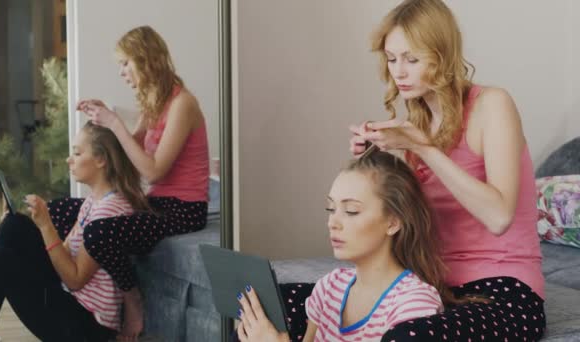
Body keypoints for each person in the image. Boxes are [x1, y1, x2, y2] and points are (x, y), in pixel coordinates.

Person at [348, 0, 545, 340]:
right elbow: (405, 226)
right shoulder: (417, 123)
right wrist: (371, 164)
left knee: (405, 337)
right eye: (392, 59)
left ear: (442, 56)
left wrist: (422, 147)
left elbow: (499, 216)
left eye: (412, 59)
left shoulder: (491, 105)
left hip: (505, 289)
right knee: (277, 303)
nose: (399, 71)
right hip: (432, 287)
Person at [52, 25, 210, 340]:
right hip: (155, 203)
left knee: (98, 232)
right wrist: (104, 119)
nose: (123, 72)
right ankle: (68, 299)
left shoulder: (183, 104)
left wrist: (114, 123)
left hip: (184, 209)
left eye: (126, 63)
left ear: (145, 59)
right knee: (57, 211)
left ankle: (131, 300)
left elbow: (153, 171)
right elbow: (128, 154)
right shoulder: (156, 101)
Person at [236, 149, 457, 341]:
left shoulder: (412, 303)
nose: (333, 222)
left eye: (351, 211)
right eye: (331, 209)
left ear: (393, 222)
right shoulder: (330, 287)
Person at [0, 122, 148, 342]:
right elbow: (64, 254)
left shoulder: (109, 210)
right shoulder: (95, 200)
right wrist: (34, 233)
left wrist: (46, 226)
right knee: (14, 226)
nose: (69, 159)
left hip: (84, 326)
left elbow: (75, 280)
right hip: (69, 298)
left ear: (101, 160)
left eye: (77, 152)